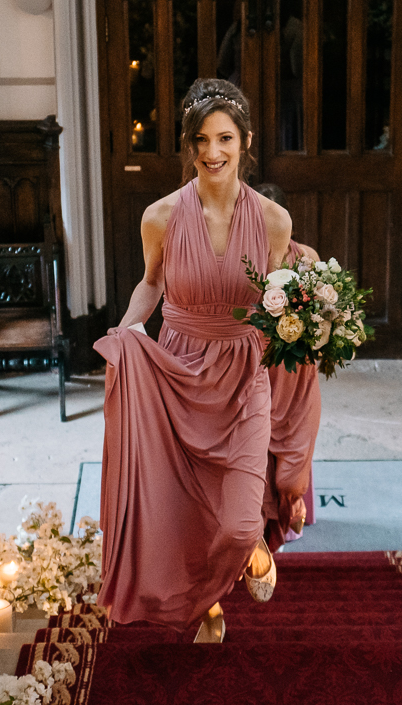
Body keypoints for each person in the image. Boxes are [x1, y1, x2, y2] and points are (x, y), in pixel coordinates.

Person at [94, 79, 295, 643]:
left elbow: (282, 301)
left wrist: (315, 323)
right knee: (182, 509)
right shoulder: (160, 217)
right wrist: (128, 329)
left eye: (225, 138)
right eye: (202, 140)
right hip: (179, 372)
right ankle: (207, 605)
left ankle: (250, 544)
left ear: (245, 141)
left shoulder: (274, 222)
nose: (213, 152)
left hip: (243, 376)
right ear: (189, 145)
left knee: (235, 525)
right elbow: (151, 284)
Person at [254, 183, 318, 551]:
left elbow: (322, 315)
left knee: (293, 464)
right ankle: (258, 535)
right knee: (256, 456)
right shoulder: (240, 263)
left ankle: (291, 508)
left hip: (297, 374)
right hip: (257, 369)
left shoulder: (306, 257)